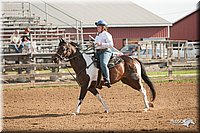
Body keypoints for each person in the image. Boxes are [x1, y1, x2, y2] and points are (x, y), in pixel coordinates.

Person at [94, 19, 114, 88]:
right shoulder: (98, 35)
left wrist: (101, 44)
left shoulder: (106, 34)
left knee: (103, 63)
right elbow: (96, 45)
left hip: (105, 51)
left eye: (99, 27)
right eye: (97, 27)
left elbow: (111, 44)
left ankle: (107, 80)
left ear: (103, 27)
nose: (97, 28)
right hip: (98, 52)